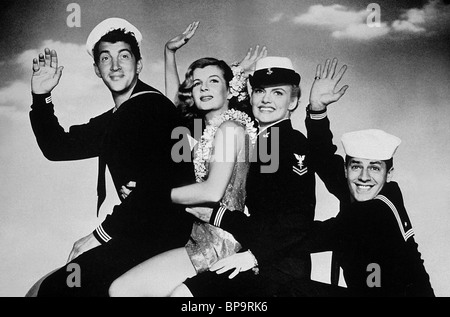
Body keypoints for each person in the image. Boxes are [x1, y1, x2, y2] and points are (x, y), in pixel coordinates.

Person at [27, 18, 196, 297]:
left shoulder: (151, 108)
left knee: (60, 288)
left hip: (164, 233)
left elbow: (155, 187)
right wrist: (41, 96)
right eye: (106, 58)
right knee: (55, 285)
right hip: (139, 230)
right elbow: (58, 147)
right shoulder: (120, 115)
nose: (115, 66)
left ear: (139, 65)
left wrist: (99, 235)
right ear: (97, 69)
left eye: (124, 56)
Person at [167, 56, 351, 297]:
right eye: (260, 91)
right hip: (253, 255)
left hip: (278, 269)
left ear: (293, 101)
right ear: (250, 96)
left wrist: (253, 256)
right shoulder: (255, 136)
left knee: (183, 296)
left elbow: (296, 220)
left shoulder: (289, 142)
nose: (266, 99)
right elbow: (182, 120)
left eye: (278, 93)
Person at [108, 24, 266, 297]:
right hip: (198, 238)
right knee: (122, 290)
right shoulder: (206, 130)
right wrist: (169, 53)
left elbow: (211, 191)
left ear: (230, 90)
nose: (203, 88)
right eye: (197, 84)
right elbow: (171, 106)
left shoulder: (230, 129)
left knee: (123, 291)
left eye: (213, 81)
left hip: (220, 243)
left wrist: (147, 195)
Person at [287, 129, 435, 297]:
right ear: (346, 170)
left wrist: (257, 234)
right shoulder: (384, 194)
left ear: (389, 174)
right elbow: (325, 161)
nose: (364, 177)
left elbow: (304, 237)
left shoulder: (371, 213)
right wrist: (317, 110)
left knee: (290, 289)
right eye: (356, 166)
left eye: (374, 168)